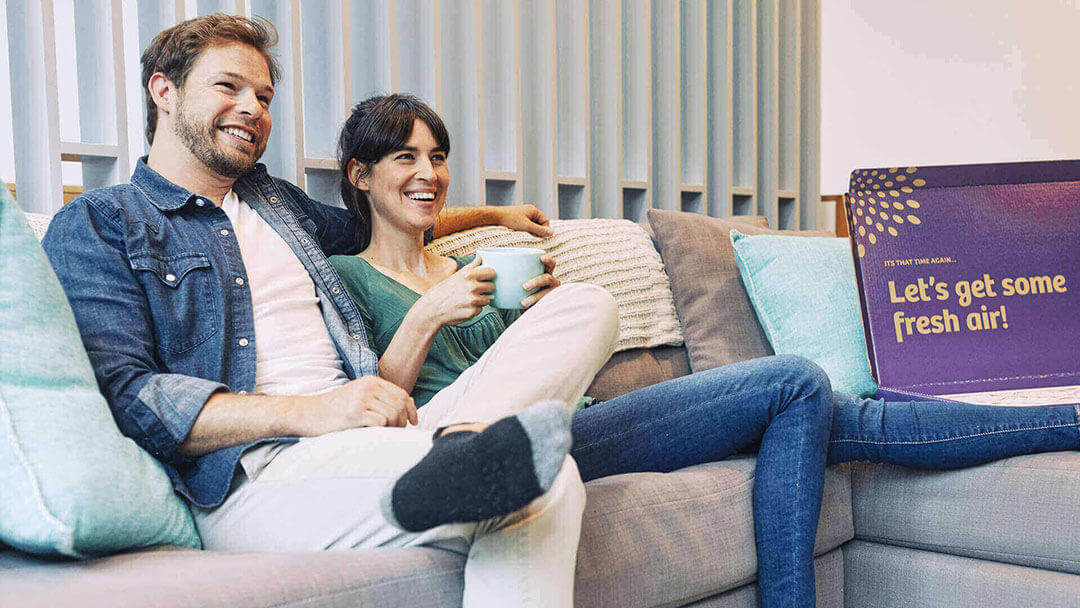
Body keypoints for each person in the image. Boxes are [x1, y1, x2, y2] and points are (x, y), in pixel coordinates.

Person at [331, 94, 1080, 608]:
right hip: (489, 457)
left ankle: (1069, 419)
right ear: (361, 176)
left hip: (577, 418)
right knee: (794, 381)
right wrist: (427, 316)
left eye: (436, 155)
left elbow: (548, 362)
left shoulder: (472, 265)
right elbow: (375, 403)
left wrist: (537, 313)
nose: (427, 174)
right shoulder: (341, 275)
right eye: (403, 158)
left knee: (850, 418)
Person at [41, 14, 619, 608]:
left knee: (586, 304)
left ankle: (471, 452)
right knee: (546, 480)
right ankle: (478, 456)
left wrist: (493, 217)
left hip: (383, 435)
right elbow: (129, 396)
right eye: (229, 87)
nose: (253, 108)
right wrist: (310, 412)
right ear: (164, 91)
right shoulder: (102, 222)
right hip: (259, 477)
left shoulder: (278, 206)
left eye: (263, 96)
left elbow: (390, 215)